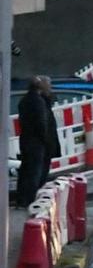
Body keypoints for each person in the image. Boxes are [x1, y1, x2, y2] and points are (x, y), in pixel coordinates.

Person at [15, 74, 58, 208]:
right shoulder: (38, 102)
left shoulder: (26, 100)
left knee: (26, 171)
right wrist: (47, 142)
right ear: (42, 86)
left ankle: (22, 199)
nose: (50, 88)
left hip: (27, 141)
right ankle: (32, 200)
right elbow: (42, 124)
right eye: (48, 85)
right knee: (36, 173)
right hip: (38, 144)